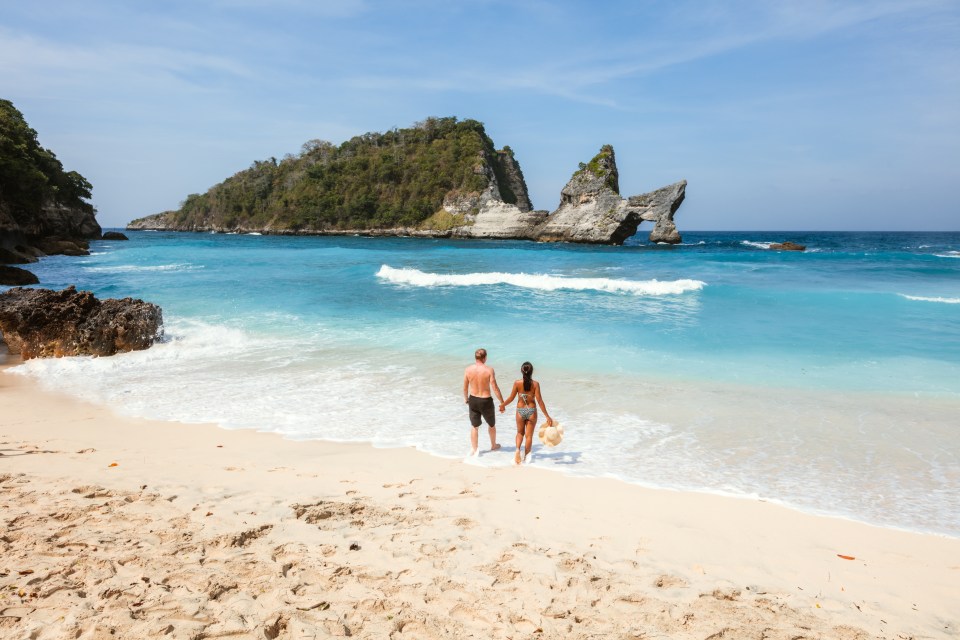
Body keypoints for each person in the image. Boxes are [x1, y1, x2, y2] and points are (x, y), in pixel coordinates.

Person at [499, 361, 553, 465]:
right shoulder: (536, 384)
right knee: (529, 436)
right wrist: (547, 416)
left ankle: (517, 450)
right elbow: (540, 401)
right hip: (531, 411)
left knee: (520, 433)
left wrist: (503, 405)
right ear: (532, 371)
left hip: (520, 411)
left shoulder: (517, 383)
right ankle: (527, 457)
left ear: (521, 371)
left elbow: (511, 398)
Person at [463, 348, 504, 456]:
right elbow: (495, 387)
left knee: (474, 426)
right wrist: (502, 402)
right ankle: (493, 445)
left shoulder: (468, 369)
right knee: (491, 425)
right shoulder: (489, 370)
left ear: (475, 358)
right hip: (486, 401)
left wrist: (466, 399)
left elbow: (465, 387)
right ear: (485, 358)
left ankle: (474, 449)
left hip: (473, 399)